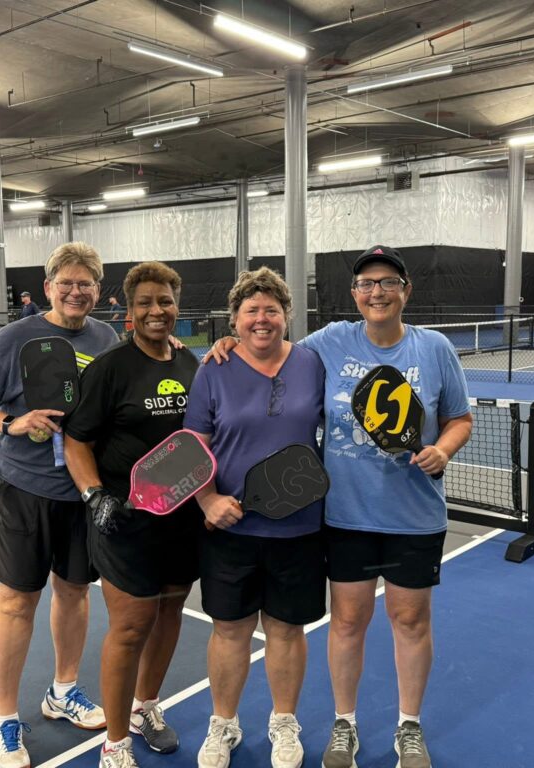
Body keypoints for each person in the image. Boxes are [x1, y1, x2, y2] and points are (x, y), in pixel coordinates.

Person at [210, 246, 473, 768]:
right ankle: (344, 726)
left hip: (414, 515)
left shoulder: (435, 348)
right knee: (347, 623)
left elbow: (459, 418)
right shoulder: (329, 343)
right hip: (345, 514)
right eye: (367, 284)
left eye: (388, 282)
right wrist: (231, 341)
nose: (378, 292)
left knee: (411, 621)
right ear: (355, 294)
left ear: (406, 290)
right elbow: (270, 350)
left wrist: (442, 449)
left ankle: (409, 727)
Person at [0, 243, 118, 768]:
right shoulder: (16, 337)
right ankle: (5, 721)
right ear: (48, 288)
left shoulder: (106, 337)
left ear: (98, 290)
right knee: (17, 601)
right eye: (65, 282)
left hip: (79, 492)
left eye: (85, 283)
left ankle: (62, 691)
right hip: (21, 489)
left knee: (73, 594)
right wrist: (10, 422)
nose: (75, 291)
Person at [183, 267, 326, 768]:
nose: (261, 320)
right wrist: (206, 502)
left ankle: (284, 724)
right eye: (251, 311)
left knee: (287, 630)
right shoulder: (213, 370)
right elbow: (193, 446)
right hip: (231, 528)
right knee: (230, 630)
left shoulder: (312, 363)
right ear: (234, 320)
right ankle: (223, 725)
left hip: (301, 526)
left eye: (271, 310)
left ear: (286, 315)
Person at [63, 261, 203, 768]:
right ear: (128, 309)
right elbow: (76, 440)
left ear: (176, 304)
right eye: (145, 302)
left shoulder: (193, 364)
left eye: (164, 300)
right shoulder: (108, 369)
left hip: (182, 519)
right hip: (122, 520)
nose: (156, 310)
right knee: (130, 625)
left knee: (170, 611)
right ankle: (116, 742)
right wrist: (94, 495)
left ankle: (146, 707)